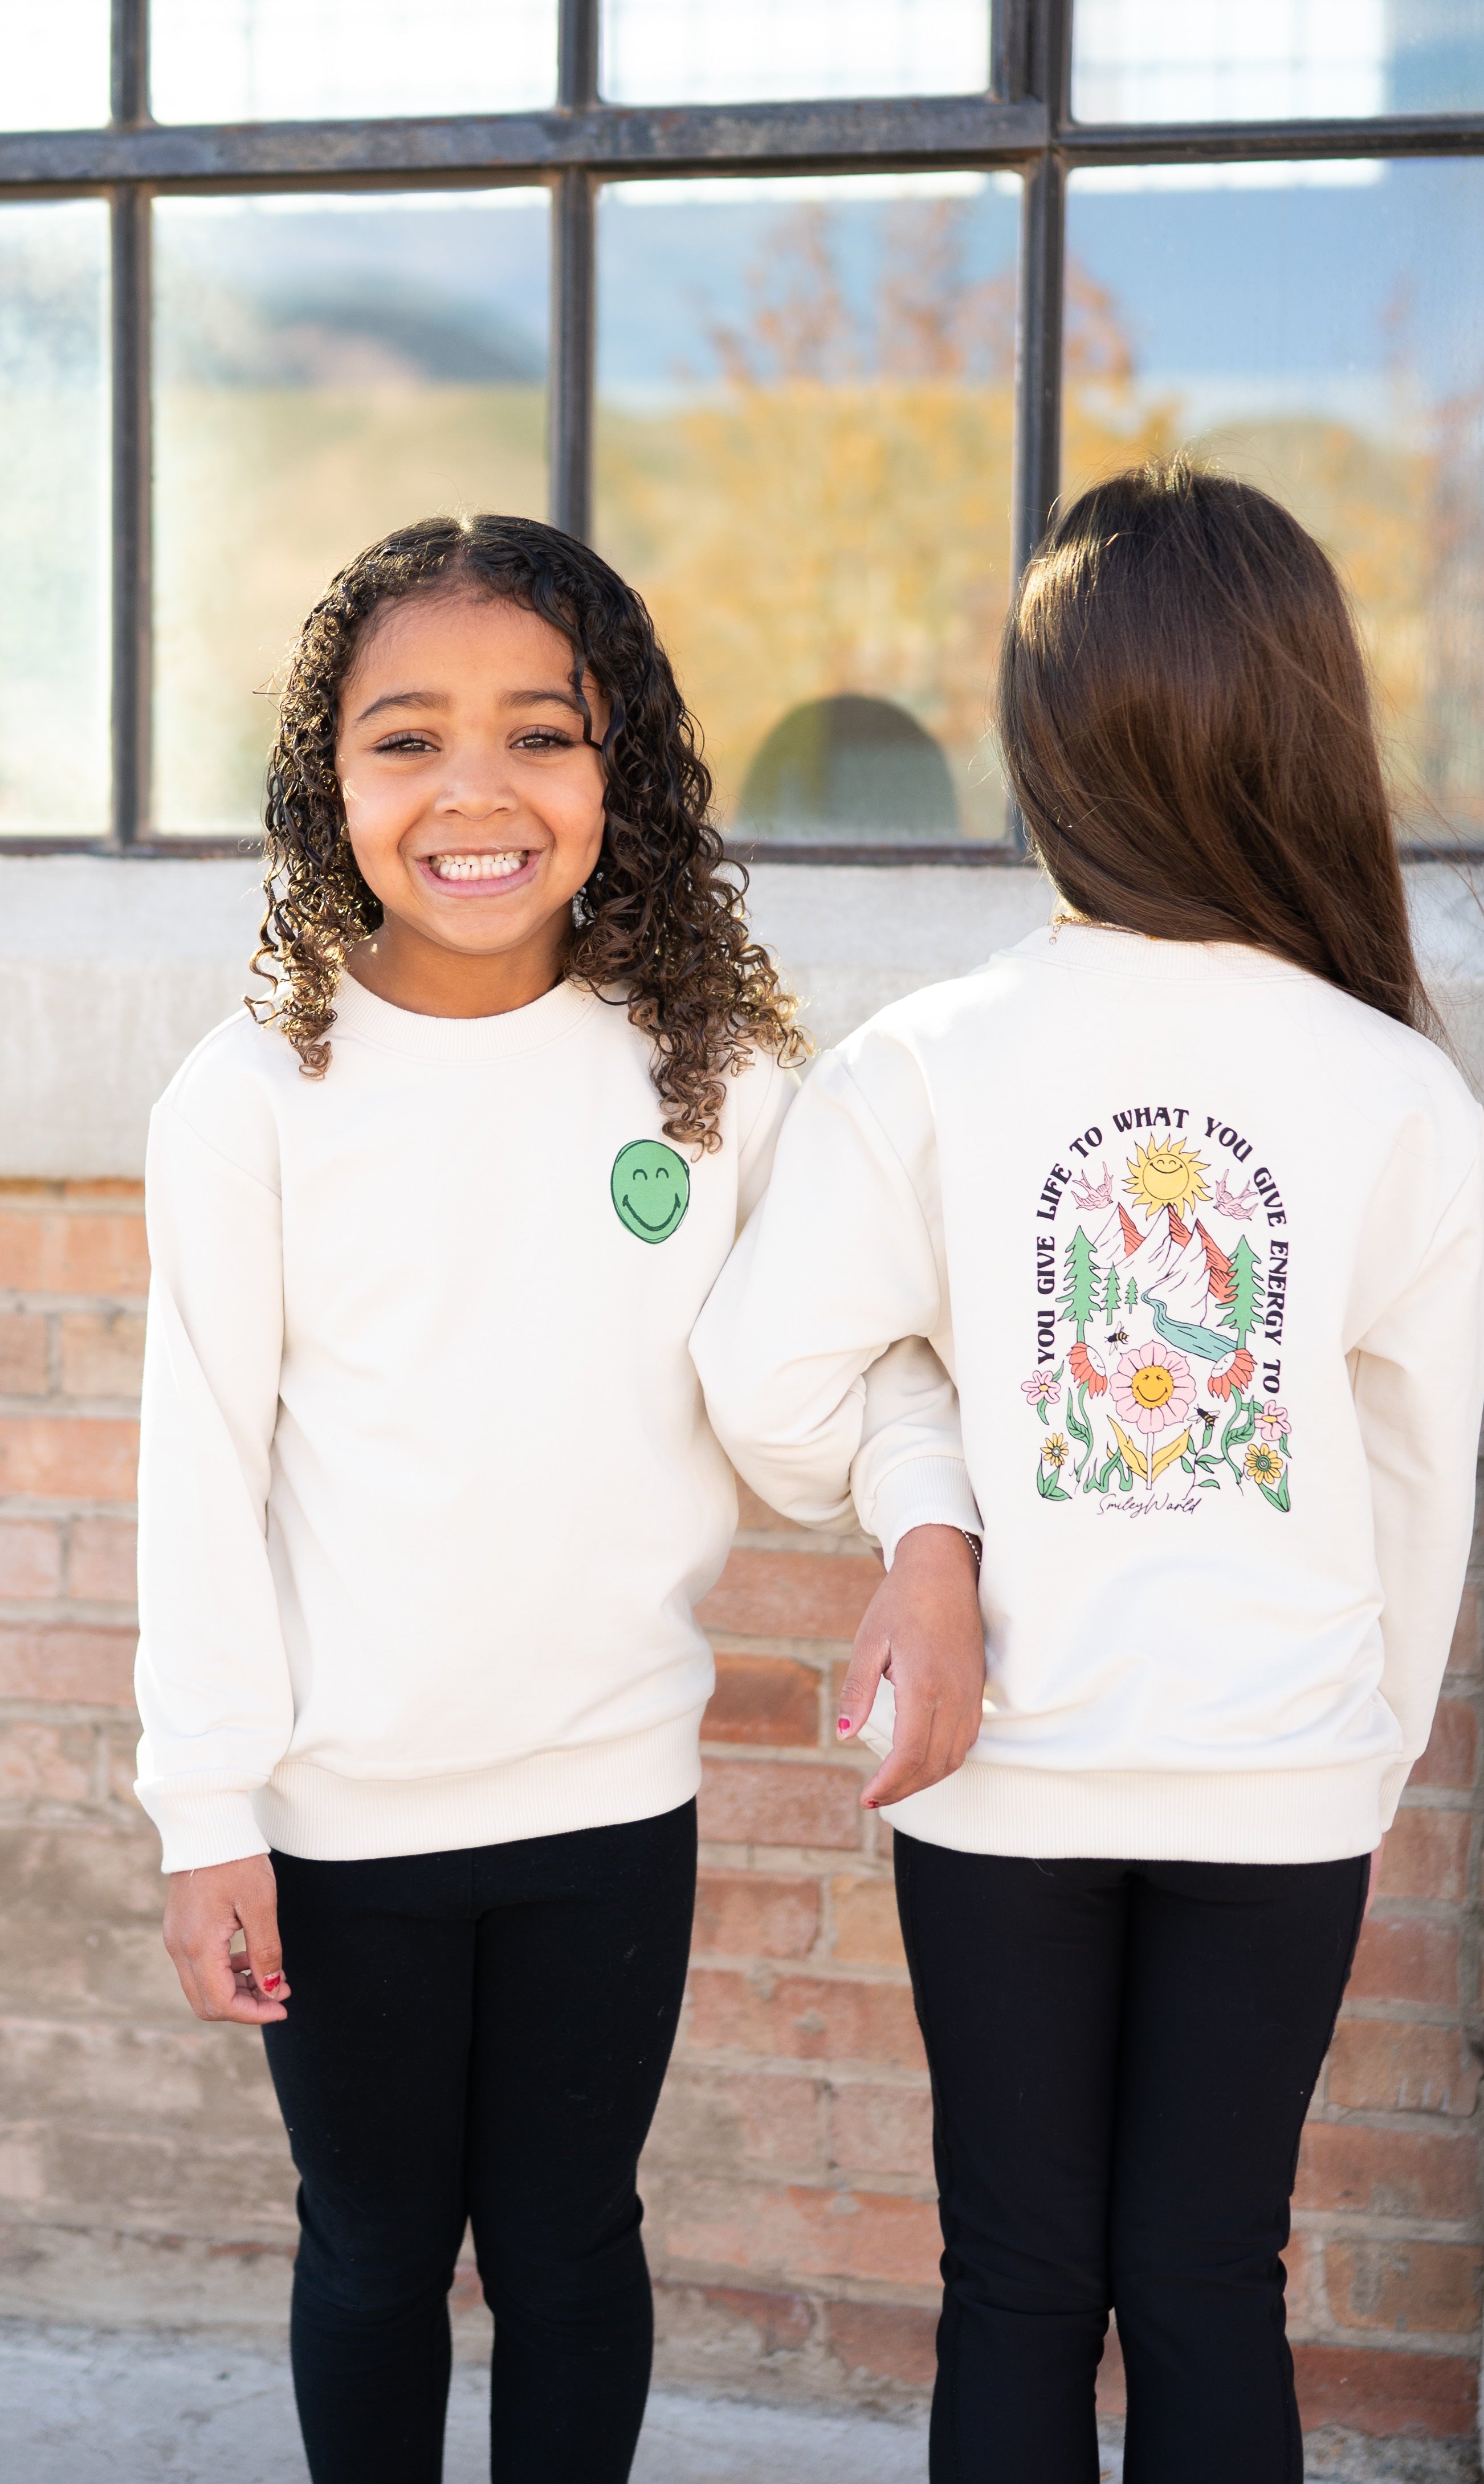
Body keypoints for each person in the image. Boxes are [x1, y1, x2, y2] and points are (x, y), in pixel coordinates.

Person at [133, 512, 972, 2484]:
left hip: (609, 1801)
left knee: (573, 2244)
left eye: (542, 732)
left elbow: (853, 1364)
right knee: (372, 2250)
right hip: (340, 1830)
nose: (475, 794)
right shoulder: (250, 1098)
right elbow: (203, 1475)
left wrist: (928, 1532)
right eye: (406, 739)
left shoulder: (713, 1074)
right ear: (325, 781)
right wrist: (206, 1816)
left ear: (626, 768)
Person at [692, 462, 1484, 2484]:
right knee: (1215, 2273)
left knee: (1022, 2282)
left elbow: (766, 1376)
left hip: (1004, 1776)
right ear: (1303, 728)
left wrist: (928, 1505)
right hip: (1284, 1758)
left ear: (1043, 743)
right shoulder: (1400, 1087)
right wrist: (1355, 1743)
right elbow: (1418, 1480)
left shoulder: (929, 1061)